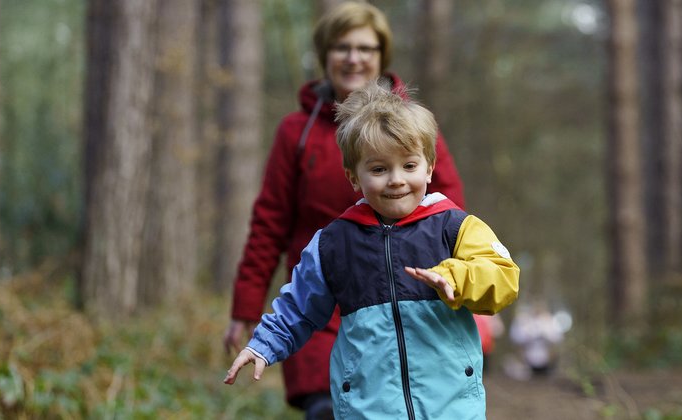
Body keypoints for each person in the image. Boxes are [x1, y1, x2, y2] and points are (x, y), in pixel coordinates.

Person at [221, 2, 465, 418]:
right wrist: (246, 309)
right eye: (341, 47)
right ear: (325, 56)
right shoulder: (295, 132)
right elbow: (269, 224)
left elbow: (450, 213)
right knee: (330, 406)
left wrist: (461, 280)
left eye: (365, 48)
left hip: (403, 295)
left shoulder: (413, 127)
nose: (354, 58)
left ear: (381, 55)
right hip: (321, 295)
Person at [224, 81, 520, 419]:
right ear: (353, 176)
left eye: (409, 166)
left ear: (429, 166)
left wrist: (458, 277)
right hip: (369, 407)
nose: (396, 179)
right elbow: (299, 308)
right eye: (379, 169)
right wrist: (263, 346)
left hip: (450, 406)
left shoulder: (455, 227)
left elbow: (503, 276)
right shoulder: (334, 244)